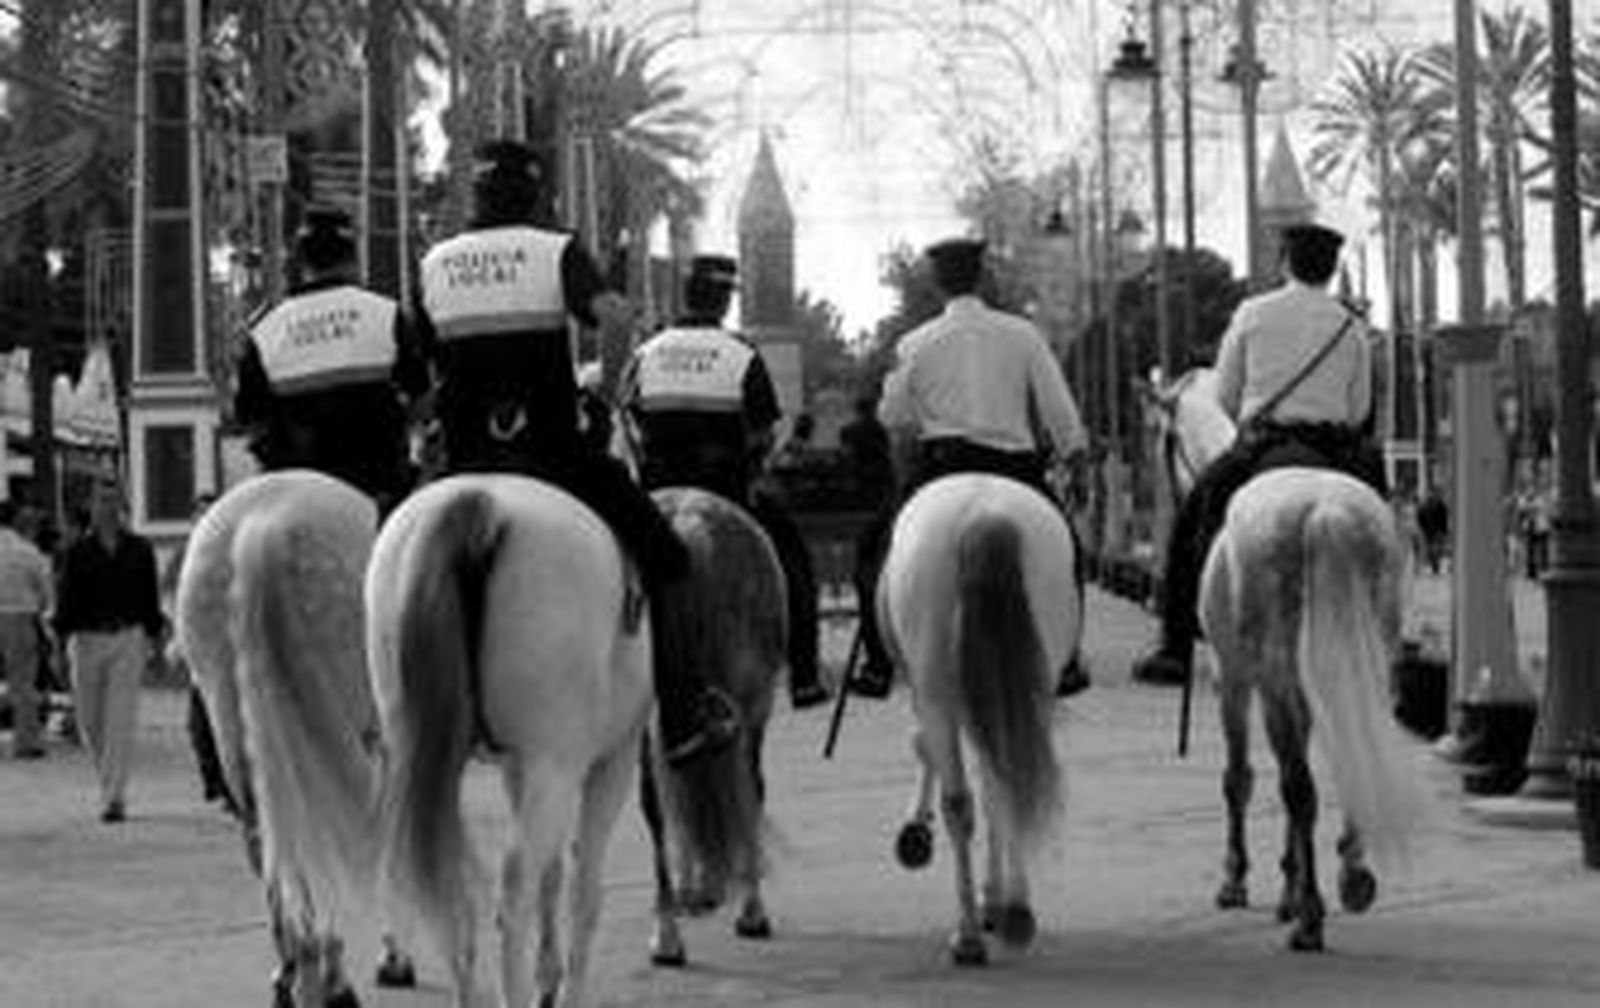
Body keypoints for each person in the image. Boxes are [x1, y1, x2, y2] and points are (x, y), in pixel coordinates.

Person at [415, 138, 735, 768]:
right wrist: (608, 393)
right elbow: (614, 316)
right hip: (553, 454)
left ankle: (393, 711)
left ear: (475, 194)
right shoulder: (552, 248)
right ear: (534, 195)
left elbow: (424, 371)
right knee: (668, 559)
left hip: (465, 460)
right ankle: (684, 714)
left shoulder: (437, 262)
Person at [1133, 222, 1387, 687]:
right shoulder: (1351, 325)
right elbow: (1359, 409)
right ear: (1331, 271)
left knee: (1194, 521)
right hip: (1334, 446)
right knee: (1382, 521)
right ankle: (1384, 630)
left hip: (1266, 442)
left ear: (1285, 263)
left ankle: (1174, 647)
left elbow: (1225, 396)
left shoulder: (1253, 312)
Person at [857, 237, 1090, 697]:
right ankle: (1067, 661)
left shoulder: (915, 342)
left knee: (874, 550)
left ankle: (878, 663)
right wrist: (1075, 456)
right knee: (1068, 554)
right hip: (1016, 469)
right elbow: (1059, 412)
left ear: (938, 283)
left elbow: (892, 416)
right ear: (981, 278)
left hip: (942, 468)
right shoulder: (1023, 334)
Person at [621, 254, 828, 710]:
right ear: (723, 303)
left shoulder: (646, 353)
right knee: (793, 559)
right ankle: (805, 674)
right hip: (726, 491)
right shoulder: (741, 354)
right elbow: (764, 433)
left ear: (686, 296)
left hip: (654, 493)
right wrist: (752, 467)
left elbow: (629, 421)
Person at [233, 205, 429, 515]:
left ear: (301, 260)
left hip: (296, 496)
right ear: (353, 257)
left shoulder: (264, 331)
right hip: (380, 493)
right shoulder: (386, 314)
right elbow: (421, 399)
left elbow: (253, 423)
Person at [55, 483, 164, 822]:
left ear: (123, 506)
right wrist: (59, 649)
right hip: (86, 640)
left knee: (120, 719)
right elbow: (65, 599)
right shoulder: (76, 551)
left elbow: (150, 597)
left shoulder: (140, 549)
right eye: (101, 500)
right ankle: (109, 782)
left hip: (127, 638)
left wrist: (156, 644)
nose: (108, 506)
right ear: (92, 506)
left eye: (114, 500)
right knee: (91, 722)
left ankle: (113, 797)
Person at [160, 493, 233, 811]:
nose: (205, 521)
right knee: (199, 725)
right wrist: (179, 631)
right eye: (200, 515)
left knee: (222, 721)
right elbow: (168, 596)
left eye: (211, 514)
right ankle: (216, 780)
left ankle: (230, 786)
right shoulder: (183, 554)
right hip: (197, 649)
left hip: (228, 649)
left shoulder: (234, 552)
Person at [0, 499, 55, 759]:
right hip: (19, 617)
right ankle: (25, 742)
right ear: (16, 521)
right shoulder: (28, 551)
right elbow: (45, 591)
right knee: (22, 681)